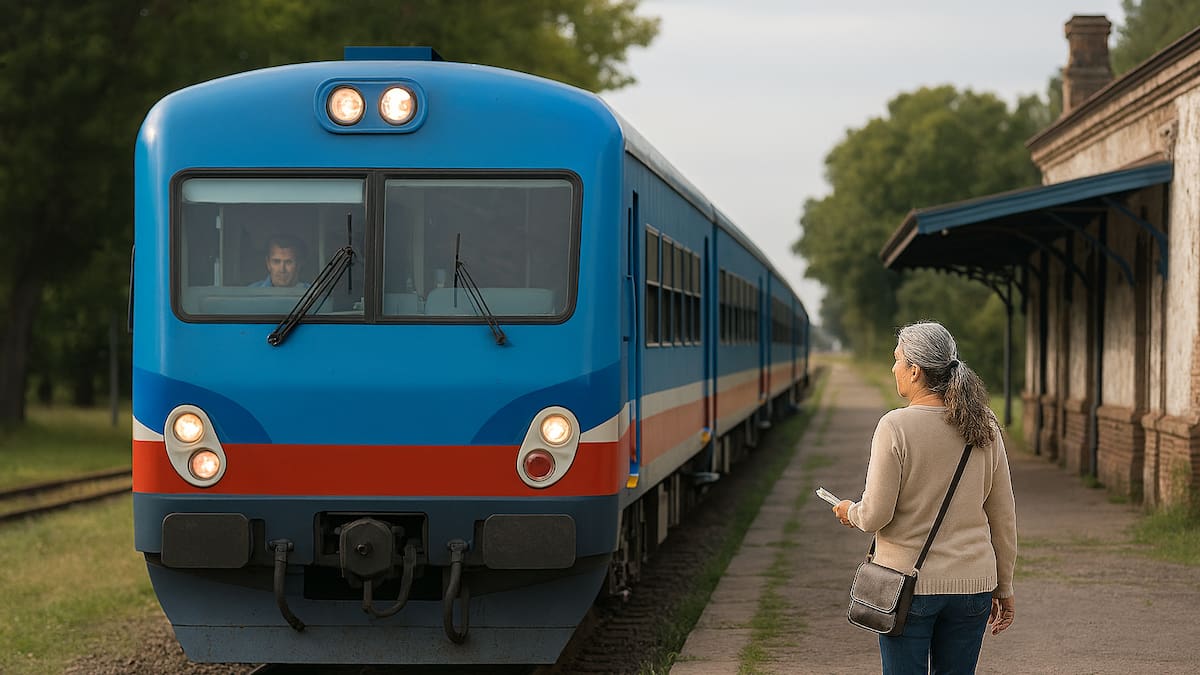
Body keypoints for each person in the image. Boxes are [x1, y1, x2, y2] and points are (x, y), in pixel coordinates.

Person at [832, 321, 1017, 674]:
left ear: (914, 370)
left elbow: (875, 515)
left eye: (897, 359)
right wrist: (1004, 586)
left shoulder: (895, 427)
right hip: (973, 587)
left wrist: (849, 511)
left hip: (906, 588)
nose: (893, 368)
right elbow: (1003, 515)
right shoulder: (985, 424)